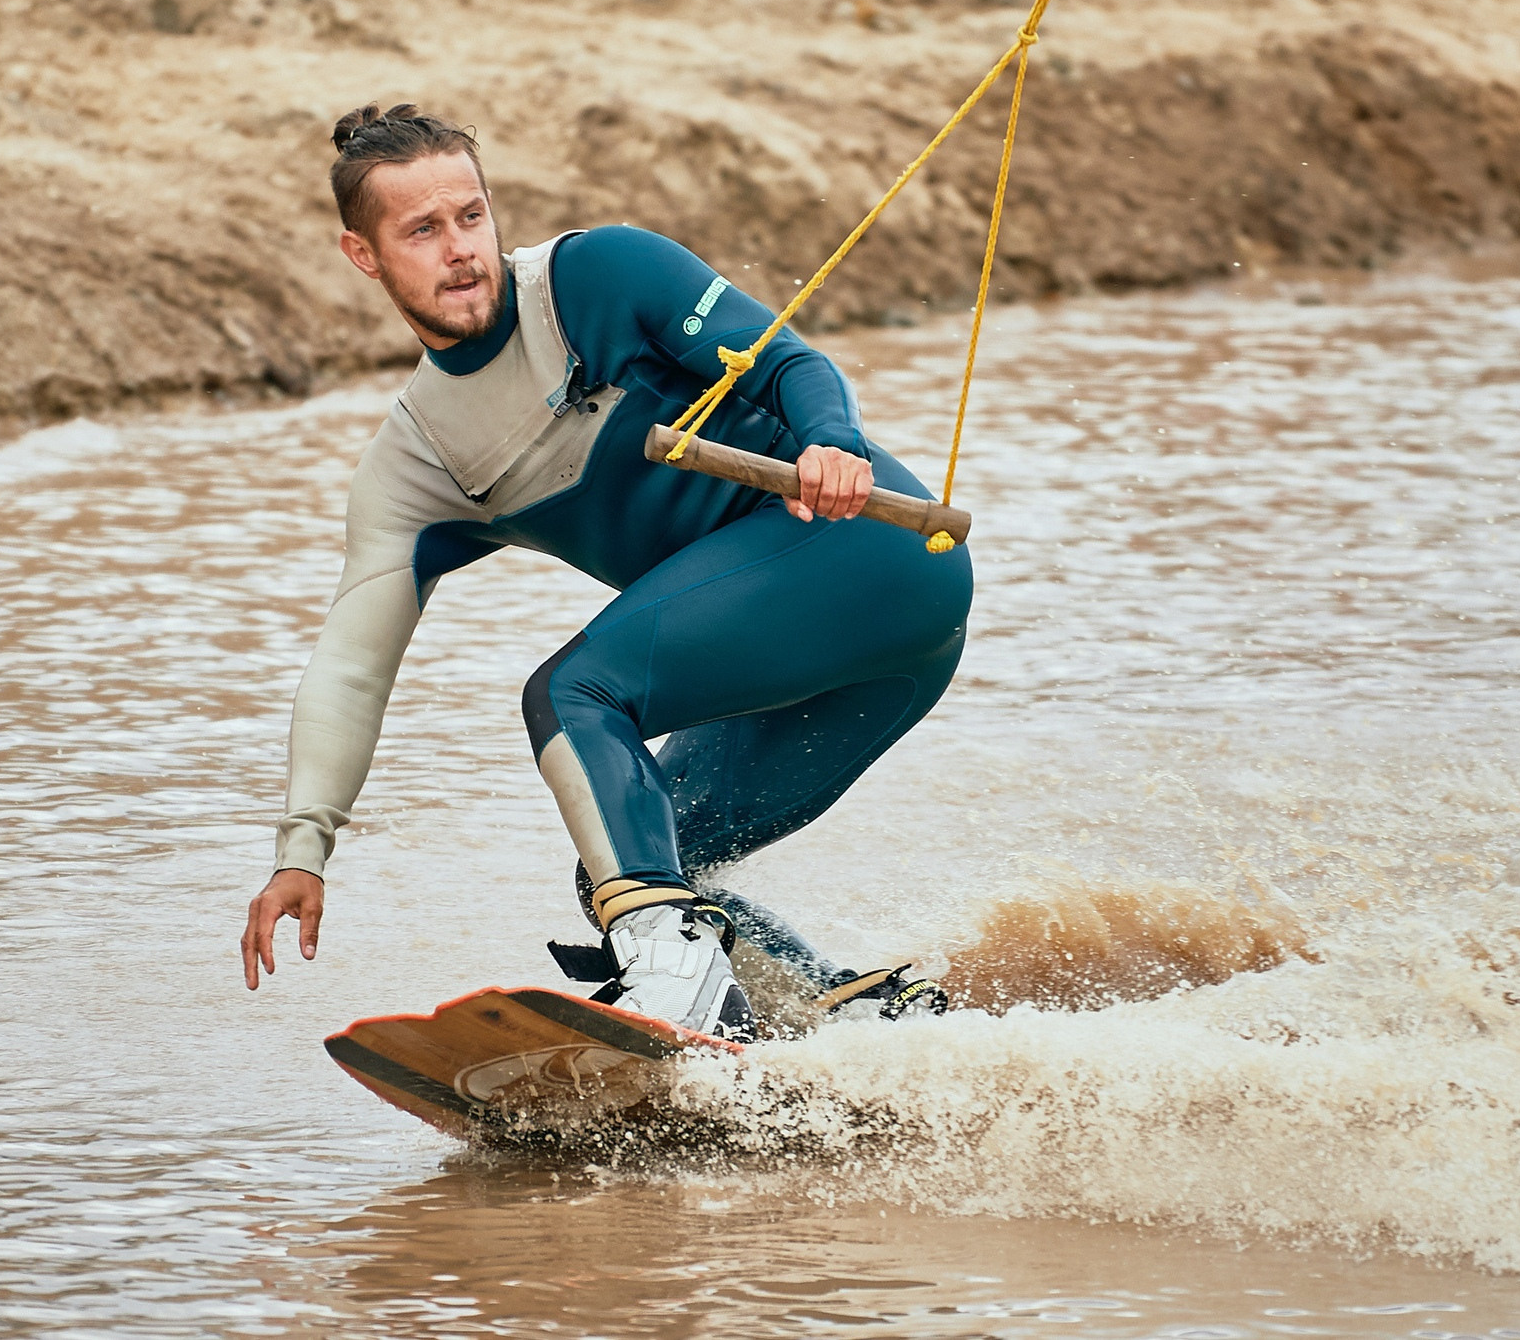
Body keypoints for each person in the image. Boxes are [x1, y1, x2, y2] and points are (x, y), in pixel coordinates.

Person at [237, 104, 973, 1037]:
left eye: (471, 215)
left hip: (882, 558)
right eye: (421, 230)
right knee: (624, 864)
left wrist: (830, 443)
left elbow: (792, 364)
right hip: (842, 666)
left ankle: (679, 982)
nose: (459, 248)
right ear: (364, 255)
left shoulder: (601, 277)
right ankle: (844, 1023)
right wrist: (303, 851)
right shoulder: (418, 465)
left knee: (574, 693)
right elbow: (351, 665)